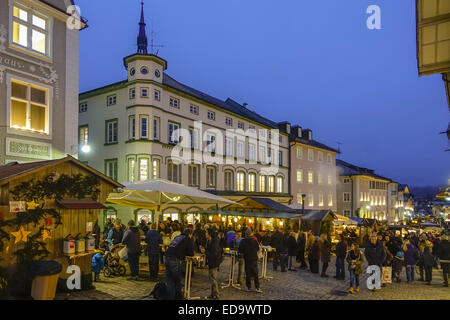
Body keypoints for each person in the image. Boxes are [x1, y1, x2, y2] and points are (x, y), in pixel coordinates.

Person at [164, 228, 195, 300]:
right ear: (190, 234)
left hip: (166, 257)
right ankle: (178, 297)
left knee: (169, 279)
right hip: (175, 259)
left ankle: (170, 297)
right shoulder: (188, 239)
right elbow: (191, 253)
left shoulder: (177, 237)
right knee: (177, 279)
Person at [238, 229, 262, 293]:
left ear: (245, 234)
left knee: (248, 273)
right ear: (251, 234)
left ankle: (248, 287)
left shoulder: (243, 241)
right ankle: (257, 287)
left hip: (247, 259)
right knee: (255, 273)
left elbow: (240, 250)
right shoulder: (254, 241)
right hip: (254, 258)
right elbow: (257, 249)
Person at [205, 228, 223, 299]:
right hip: (211, 262)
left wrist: (205, 252)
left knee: (213, 279)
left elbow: (213, 254)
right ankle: (213, 294)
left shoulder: (214, 242)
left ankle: (216, 294)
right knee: (211, 278)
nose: (205, 234)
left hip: (214, 262)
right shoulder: (210, 241)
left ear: (209, 234)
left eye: (206, 233)